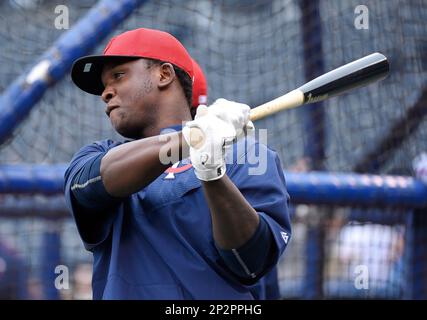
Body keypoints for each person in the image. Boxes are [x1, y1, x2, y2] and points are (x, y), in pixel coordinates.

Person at [64, 27, 291, 299]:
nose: (105, 93)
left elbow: (251, 263)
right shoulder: (99, 155)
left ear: (164, 74)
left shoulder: (248, 155)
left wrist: (212, 173)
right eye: (104, 85)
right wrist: (193, 138)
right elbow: (90, 186)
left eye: (118, 76)